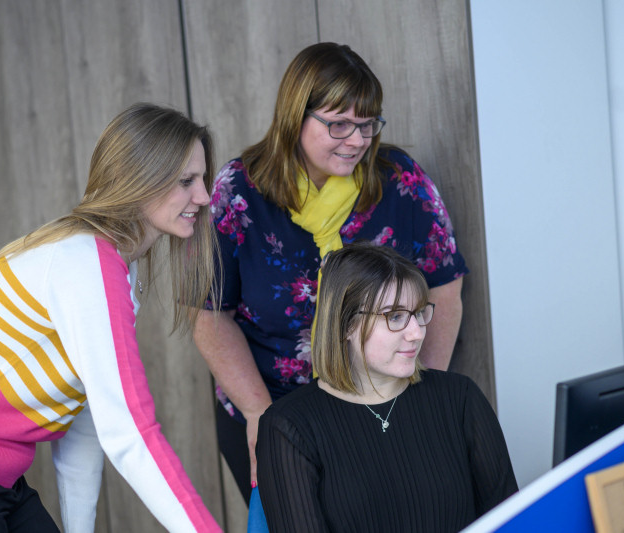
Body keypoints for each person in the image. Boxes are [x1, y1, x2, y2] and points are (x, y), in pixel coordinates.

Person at [0, 103, 222, 533]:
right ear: (139, 180)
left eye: (202, 179)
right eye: (186, 181)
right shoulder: (86, 264)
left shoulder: (112, 271)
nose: (203, 197)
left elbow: (85, 426)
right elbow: (130, 432)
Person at [193, 42, 468, 503]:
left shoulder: (400, 182)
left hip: (383, 409)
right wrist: (263, 417)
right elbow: (209, 316)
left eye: (367, 124)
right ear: (294, 116)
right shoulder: (239, 192)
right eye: (339, 123)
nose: (358, 140)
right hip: (271, 407)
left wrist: (424, 396)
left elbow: (446, 290)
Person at [256, 242, 517, 532]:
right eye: (395, 317)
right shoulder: (288, 427)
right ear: (346, 326)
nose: (417, 333)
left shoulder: (460, 398)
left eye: (418, 313)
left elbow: (511, 521)